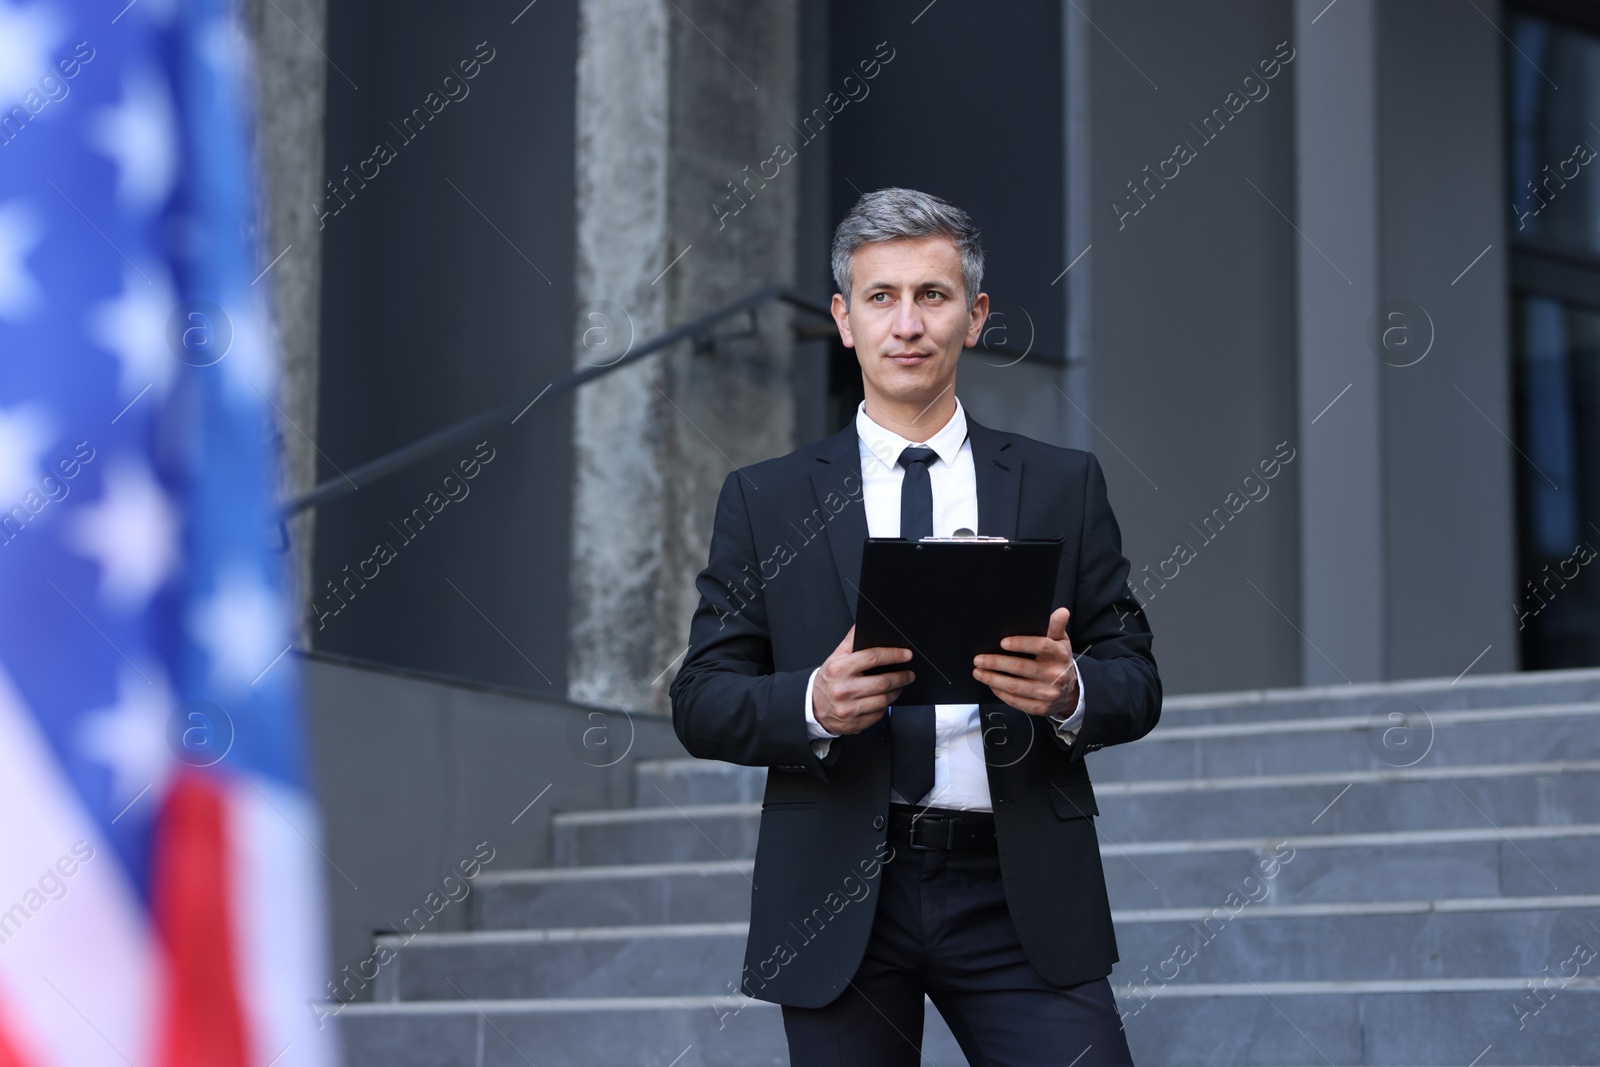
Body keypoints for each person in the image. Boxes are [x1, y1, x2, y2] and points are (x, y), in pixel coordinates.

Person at [669, 187, 1160, 1066]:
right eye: (880, 297)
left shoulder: (1062, 482)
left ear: (973, 317)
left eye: (932, 296)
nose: (907, 323)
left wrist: (1071, 689)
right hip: (838, 889)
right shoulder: (766, 498)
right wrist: (813, 702)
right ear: (843, 319)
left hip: (1020, 890)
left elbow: (1135, 673)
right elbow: (700, 699)